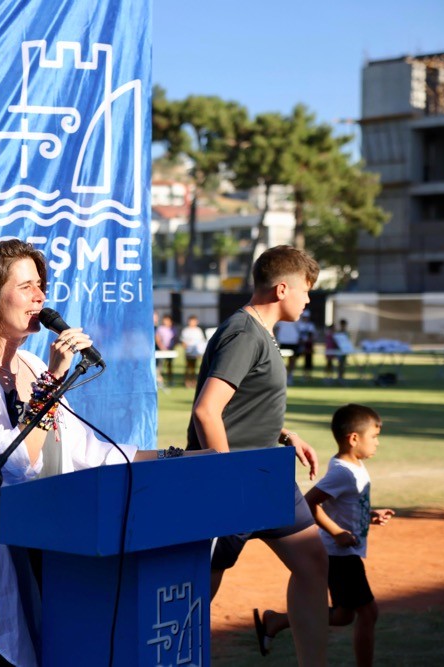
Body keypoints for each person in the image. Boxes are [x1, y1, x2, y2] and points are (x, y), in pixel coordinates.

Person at [0, 239, 162, 667]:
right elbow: (14, 462)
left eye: (41, 285)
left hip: (45, 562)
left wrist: (170, 458)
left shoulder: (30, 366)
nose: (41, 297)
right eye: (27, 285)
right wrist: (52, 380)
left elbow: (83, 450)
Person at [186, 245, 328, 667]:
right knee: (197, 590)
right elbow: (206, 410)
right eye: (306, 290)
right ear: (282, 288)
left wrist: (285, 433)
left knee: (313, 563)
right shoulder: (245, 332)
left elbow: (243, 402)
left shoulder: (261, 333)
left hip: (269, 474)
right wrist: (227, 476)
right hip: (235, 479)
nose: (308, 299)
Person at [253, 404, 395, 667]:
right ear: (354, 438)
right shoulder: (343, 472)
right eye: (374, 437)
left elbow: (344, 504)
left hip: (344, 552)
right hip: (339, 554)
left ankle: (276, 621)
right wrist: (337, 532)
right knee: (368, 613)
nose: (377, 443)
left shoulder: (355, 466)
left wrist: (370, 515)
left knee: (344, 615)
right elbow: (308, 503)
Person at [179, 314, 206, 387]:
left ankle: (194, 381)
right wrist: (187, 349)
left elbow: (201, 341)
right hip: (189, 352)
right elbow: (183, 342)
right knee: (188, 367)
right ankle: (187, 382)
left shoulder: (198, 330)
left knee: (194, 367)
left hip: (196, 352)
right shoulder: (186, 330)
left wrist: (200, 351)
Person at [275, 318, 301, 385]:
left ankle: (290, 376)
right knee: (280, 361)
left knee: (292, 360)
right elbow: (276, 328)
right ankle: (281, 376)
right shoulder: (281, 318)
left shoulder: (296, 316)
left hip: (293, 342)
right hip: (283, 341)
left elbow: (299, 328)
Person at [154, 312, 176, 387]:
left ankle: (170, 380)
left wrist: (172, 347)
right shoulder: (160, 328)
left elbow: (175, 339)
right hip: (161, 350)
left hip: (170, 349)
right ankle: (159, 381)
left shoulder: (173, 329)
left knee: (170, 366)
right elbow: (158, 339)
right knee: (159, 366)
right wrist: (162, 348)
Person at [297, 309, 317, 382]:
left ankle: (307, 375)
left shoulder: (311, 325)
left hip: (308, 345)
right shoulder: (299, 324)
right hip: (299, 344)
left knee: (308, 360)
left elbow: (313, 336)